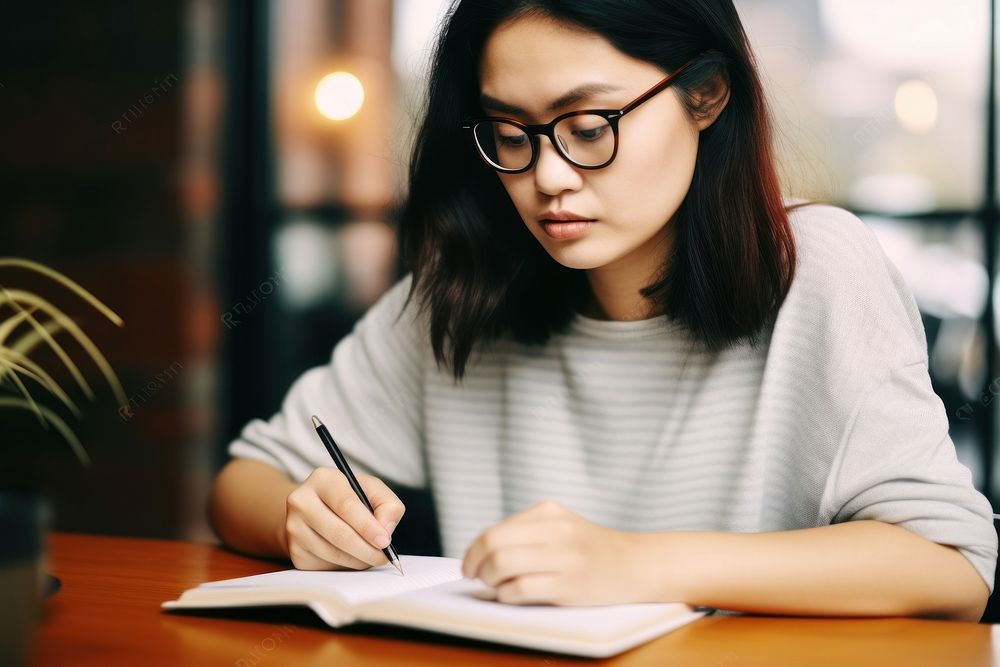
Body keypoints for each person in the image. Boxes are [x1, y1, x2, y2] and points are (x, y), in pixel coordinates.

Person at [209, 0, 997, 620]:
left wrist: (639, 564)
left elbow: (952, 565)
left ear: (707, 94)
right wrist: (299, 518)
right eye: (510, 134)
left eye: (589, 127)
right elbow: (243, 479)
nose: (547, 176)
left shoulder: (816, 267)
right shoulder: (467, 285)